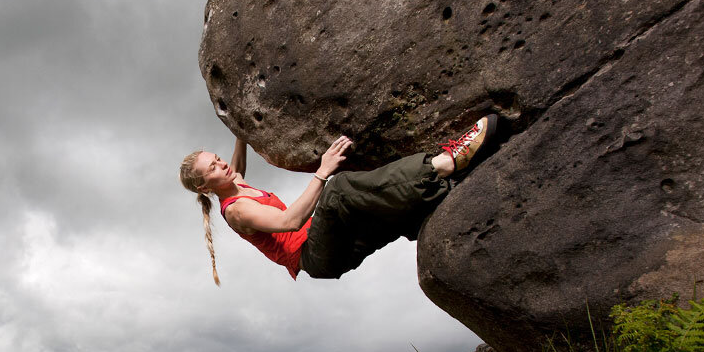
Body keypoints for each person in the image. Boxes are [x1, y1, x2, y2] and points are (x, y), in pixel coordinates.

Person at [178, 116, 499, 284]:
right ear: (206, 188)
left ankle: (442, 193)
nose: (223, 165)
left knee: (374, 207)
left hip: (326, 245)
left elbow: (238, 166)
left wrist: (239, 130)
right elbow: (290, 222)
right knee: (340, 191)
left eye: (218, 158)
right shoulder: (237, 211)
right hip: (315, 254)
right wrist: (322, 172)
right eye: (213, 168)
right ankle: (446, 163)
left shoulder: (235, 183)